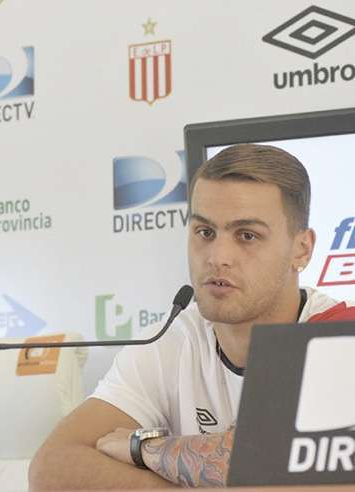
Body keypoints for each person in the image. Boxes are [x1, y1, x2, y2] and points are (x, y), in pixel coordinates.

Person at [29, 144, 355, 490]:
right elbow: (52, 468)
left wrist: (146, 449)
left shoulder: (338, 336)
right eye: (205, 232)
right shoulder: (169, 340)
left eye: (247, 236)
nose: (218, 257)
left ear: (301, 249)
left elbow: (293, 476)